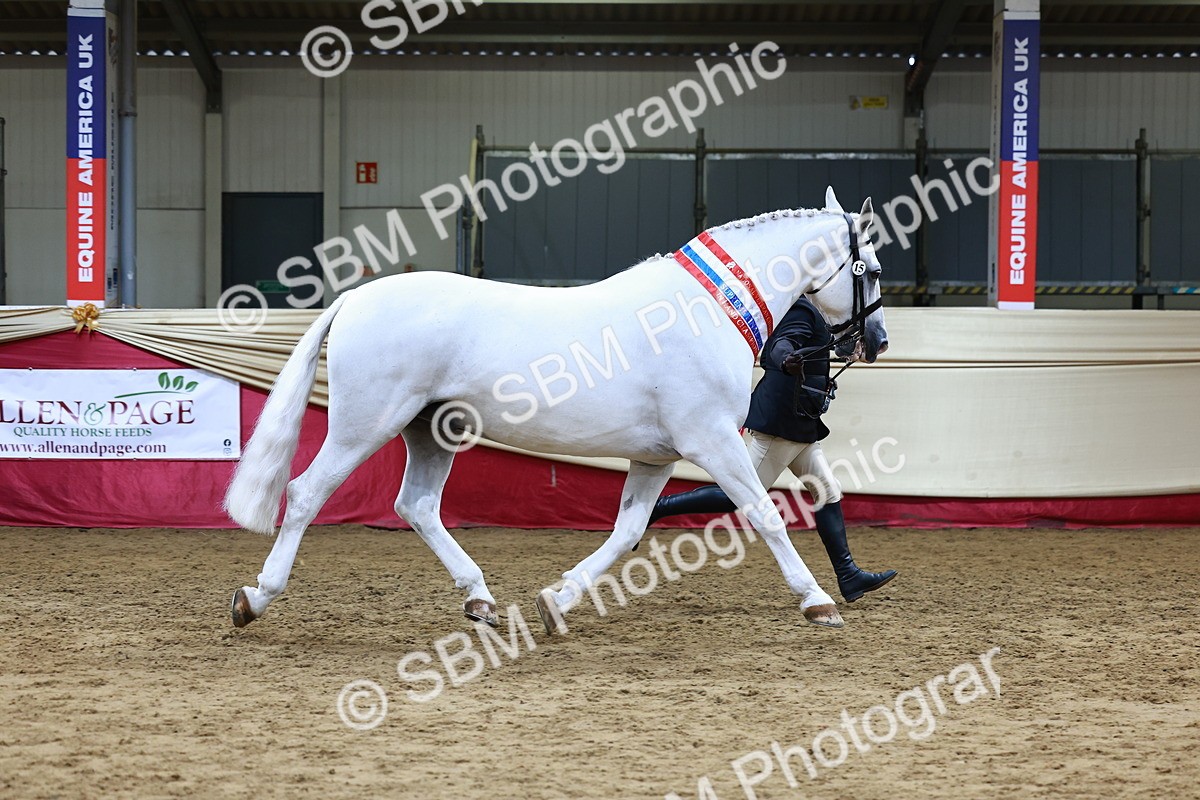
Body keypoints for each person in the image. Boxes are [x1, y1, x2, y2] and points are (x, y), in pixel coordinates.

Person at [645, 296, 897, 603]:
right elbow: (781, 344)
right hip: (783, 421)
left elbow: (810, 348)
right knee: (737, 495)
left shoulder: (815, 311)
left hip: (800, 420)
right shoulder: (801, 308)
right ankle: (658, 507)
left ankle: (848, 575)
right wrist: (786, 359)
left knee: (826, 491)